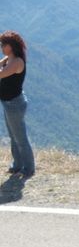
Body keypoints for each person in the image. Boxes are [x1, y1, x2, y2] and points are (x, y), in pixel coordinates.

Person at [0, 30, 34, 178]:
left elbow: (1, 74)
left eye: (3, 44)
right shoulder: (9, 58)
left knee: (20, 138)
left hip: (14, 104)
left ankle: (28, 168)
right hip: (9, 103)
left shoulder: (17, 62)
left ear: (11, 45)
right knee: (13, 136)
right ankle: (17, 165)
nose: (1, 47)